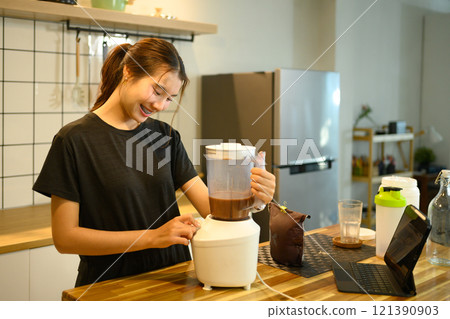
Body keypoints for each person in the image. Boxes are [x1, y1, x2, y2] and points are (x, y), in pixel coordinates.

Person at [33, 38, 276, 287]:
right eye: (157, 91)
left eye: (169, 98)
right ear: (129, 72)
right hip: (109, 287)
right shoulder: (74, 140)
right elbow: (65, 238)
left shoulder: (165, 136)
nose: (160, 105)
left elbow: (211, 210)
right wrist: (153, 237)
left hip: (175, 279)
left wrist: (253, 200)